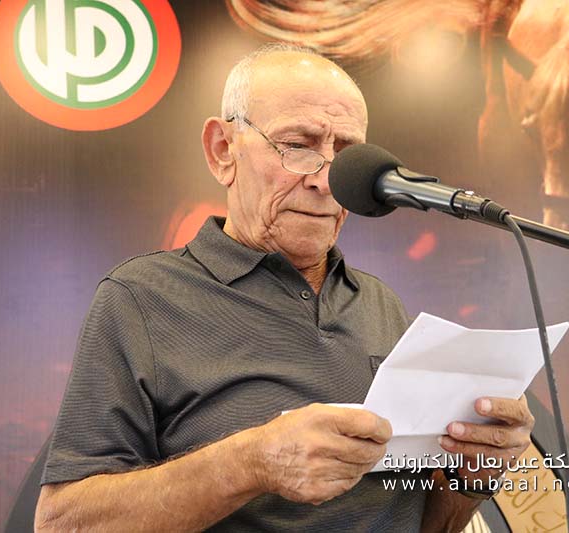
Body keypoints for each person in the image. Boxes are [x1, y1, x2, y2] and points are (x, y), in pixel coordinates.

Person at [34, 43, 535, 532]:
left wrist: (472, 478)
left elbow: (423, 523)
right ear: (222, 150)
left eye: (346, 156)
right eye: (297, 145)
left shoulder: (381, 303)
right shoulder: (140, 298)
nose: (327, 181)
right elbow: (62, 522)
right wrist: (253, 462)